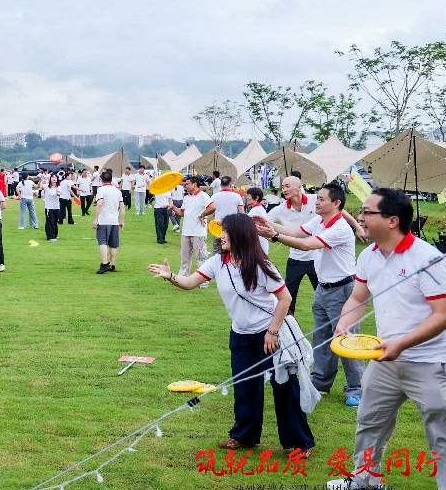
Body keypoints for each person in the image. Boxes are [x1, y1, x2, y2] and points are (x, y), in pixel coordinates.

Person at [326, 189, 446, 490]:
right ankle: (366, 482)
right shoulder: (369, 255)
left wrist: (401, 344)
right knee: (369, 421)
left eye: (366, 212)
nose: (359, 218)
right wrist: (344, 324)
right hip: (385, 358)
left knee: (445, 438)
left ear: (392, 221)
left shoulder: (428, 259)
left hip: (431, 362)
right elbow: (358, 297)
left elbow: (445, 316)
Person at [148, 214, 314, 455]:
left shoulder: (261, 265)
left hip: (271, 334)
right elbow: (190, 282)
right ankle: (245, 436)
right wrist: (171, 276)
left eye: (225, 231)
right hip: (241, 335)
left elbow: (285, 299)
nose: (221, 235)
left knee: (284, 387)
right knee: (245, 388)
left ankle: (299, 443)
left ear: (239, 235)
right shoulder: (218, 262)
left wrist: (272, 332)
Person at [254, 183, 363, 406]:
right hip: (324, 289)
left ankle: (357, 388)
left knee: (346, 339)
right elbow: (296, 232)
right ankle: (321, 381)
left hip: (343, 290)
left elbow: (307, 245)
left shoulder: (340, 228)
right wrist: (269, 224)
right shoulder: (318, 221)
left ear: (336, 203)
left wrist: (274, 236)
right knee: (322, 338)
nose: (317, 202)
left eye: (321, 199)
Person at [264, 176, 319, 314]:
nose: (284, 190)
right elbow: (264, 223)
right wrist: (272, 237)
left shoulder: (315, 200)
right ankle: (288, 329)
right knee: (288, 297)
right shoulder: (280, 209)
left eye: (287, 186)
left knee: (323, 295)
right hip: (296, 259)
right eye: (282, 187)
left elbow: (339, 211)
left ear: (299, 187)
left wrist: (358, 228)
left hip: (317, 257)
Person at [170, 175, 211, 285]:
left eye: (187, 184)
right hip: (186, 231)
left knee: (201, 258)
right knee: (185, 257)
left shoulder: (203, 196)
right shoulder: (187, 198)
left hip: (198, 232)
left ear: (195, 184)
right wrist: (173, 207)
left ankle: (204, 281)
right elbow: (182, 213)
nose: (186, 186)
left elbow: (212, 207)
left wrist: (202, 215)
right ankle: (182, 278)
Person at [201, 175, 245, 255]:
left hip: (217, 226)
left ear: (221, 185)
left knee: (217, 250)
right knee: (233, 249)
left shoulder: (214, 196)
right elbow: (241, 213)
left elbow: (210, 213)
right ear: (231, 184)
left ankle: (216, 266)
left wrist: (208, 226)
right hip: (233, 226)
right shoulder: (237, 197)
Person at [93, 169, 124, 273]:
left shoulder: (101, 190)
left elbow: (100, 203)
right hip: (114, 220)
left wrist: (95, 219)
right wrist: (122, 221)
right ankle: (112, 264)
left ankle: (105, 263)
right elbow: (122, 207)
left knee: (102, 242)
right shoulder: (117, 191)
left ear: (101, 180)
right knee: (113, 244)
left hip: (104, 220)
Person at [245, 186, 270, 254]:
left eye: (249, 195)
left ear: (256, 198)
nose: (247, 197)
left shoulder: (256, 210)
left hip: (258, 242)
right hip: (258, 242)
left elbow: (244, 223)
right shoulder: (258, 208)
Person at [42, 174, 61, 241]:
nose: (54, 179)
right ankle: (50, 236)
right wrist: (42, 180)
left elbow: (59, 194)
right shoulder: (47, 186)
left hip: (56, 207)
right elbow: (40, 186)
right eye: (52, 177)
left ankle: (55, 234)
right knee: (50, 222)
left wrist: (58, 193)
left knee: (55, 222)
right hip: (49, 207)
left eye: (55, 177)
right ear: (50, 179)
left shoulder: (58, 187)